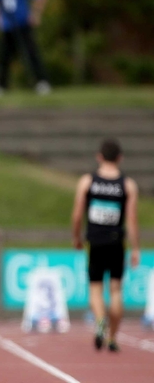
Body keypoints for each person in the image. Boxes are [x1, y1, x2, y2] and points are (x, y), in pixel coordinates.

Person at [71, 138, 139, 352]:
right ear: (120, 158)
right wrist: (135, 247)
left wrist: (76, 237)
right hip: (117, 241)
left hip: (95, 241)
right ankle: (112, 338)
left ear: (99, 156)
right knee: (116, 289)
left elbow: (77, 214)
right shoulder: (127, 185)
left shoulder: (87, 182)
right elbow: (131, 219)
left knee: (95, 288)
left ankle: (100, 319)